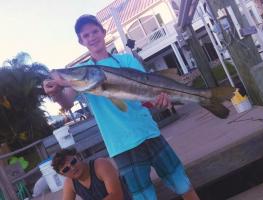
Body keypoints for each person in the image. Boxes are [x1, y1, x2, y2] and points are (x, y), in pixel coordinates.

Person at [43, 14, 200, 200]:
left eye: (95, 32)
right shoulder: (84, 73)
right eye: (86, 35)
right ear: (81, 41)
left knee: (182, 183)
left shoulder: (126, 60)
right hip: (120, 146)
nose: (92, 37)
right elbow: (67, 101)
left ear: (103, 32)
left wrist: (162, 100)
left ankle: (203, 97)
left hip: (149, 133)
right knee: (143, 197)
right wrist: (57, 93)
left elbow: (149, 93)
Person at [52, 148, 130, 200]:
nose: (72, 168)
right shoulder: (70, 183)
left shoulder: (100, 165)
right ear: (63, 175)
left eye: (73, 162)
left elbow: (117, 195)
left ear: (79, 157)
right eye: (66, 169)